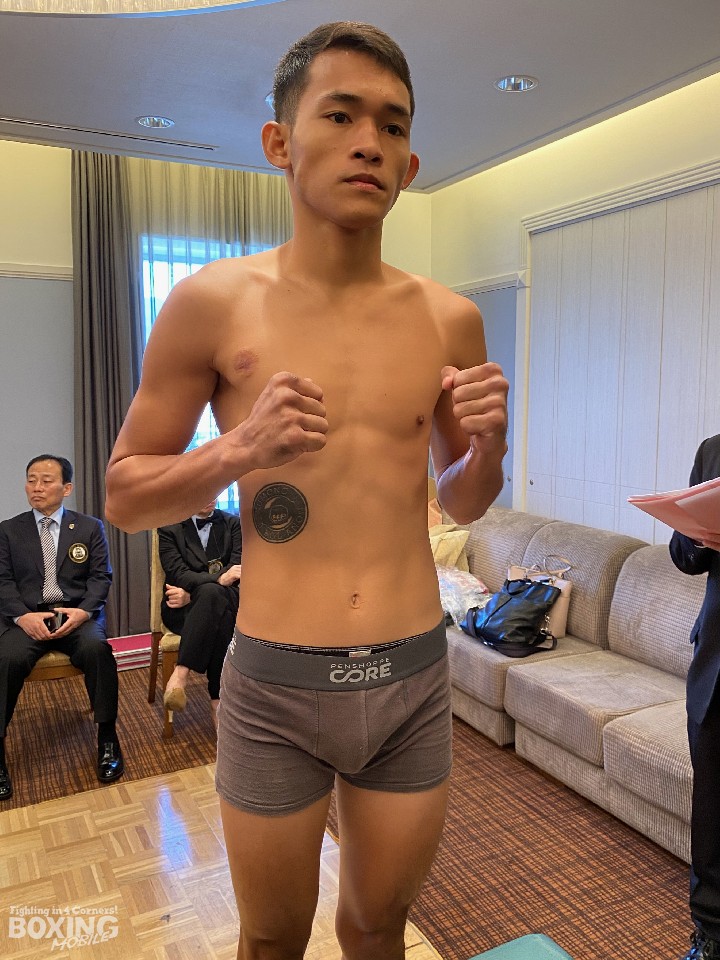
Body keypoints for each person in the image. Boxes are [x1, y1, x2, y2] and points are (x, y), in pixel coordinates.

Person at [106, 21, 508, 960]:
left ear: (410, 165)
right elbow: (124, 496)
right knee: (272, 939)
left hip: (411, 677)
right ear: (280, 142)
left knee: (376, 929)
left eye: (393, 125)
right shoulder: (212, 303)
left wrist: (488, 449)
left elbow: (464, 499)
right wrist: (238, 448)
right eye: (341, 115)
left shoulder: (451, 319)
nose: (370, 141)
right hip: (276, 685)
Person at [0, 455, 123, 802]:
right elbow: (2, 582)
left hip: (74, 616)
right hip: (27, 618)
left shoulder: (89, 527)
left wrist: (84, 612)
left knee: (98, 651)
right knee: (5, 659)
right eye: (31, 480)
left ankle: (108, 739)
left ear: (66, 488)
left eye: (46, 480)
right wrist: (22, 617)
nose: (36, 487)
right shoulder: (8, 530)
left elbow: (101, 577)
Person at [669, 434, 720, 960]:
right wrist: (701, 538)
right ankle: (710, 933)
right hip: (716, 662)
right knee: (711, 808)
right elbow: (682, 556)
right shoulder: (712, 452)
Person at [158, 500, 242, 726]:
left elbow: (237, 570)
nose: (210, 497)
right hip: (181, 609)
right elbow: (178, 573)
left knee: (215, 601)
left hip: (214, 599)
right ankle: (217, 700)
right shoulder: (169, 527)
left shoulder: (233, 524)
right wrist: (217, 580)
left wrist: (192, 595)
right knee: (218, 610)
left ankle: (181, 672)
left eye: (214, 491)